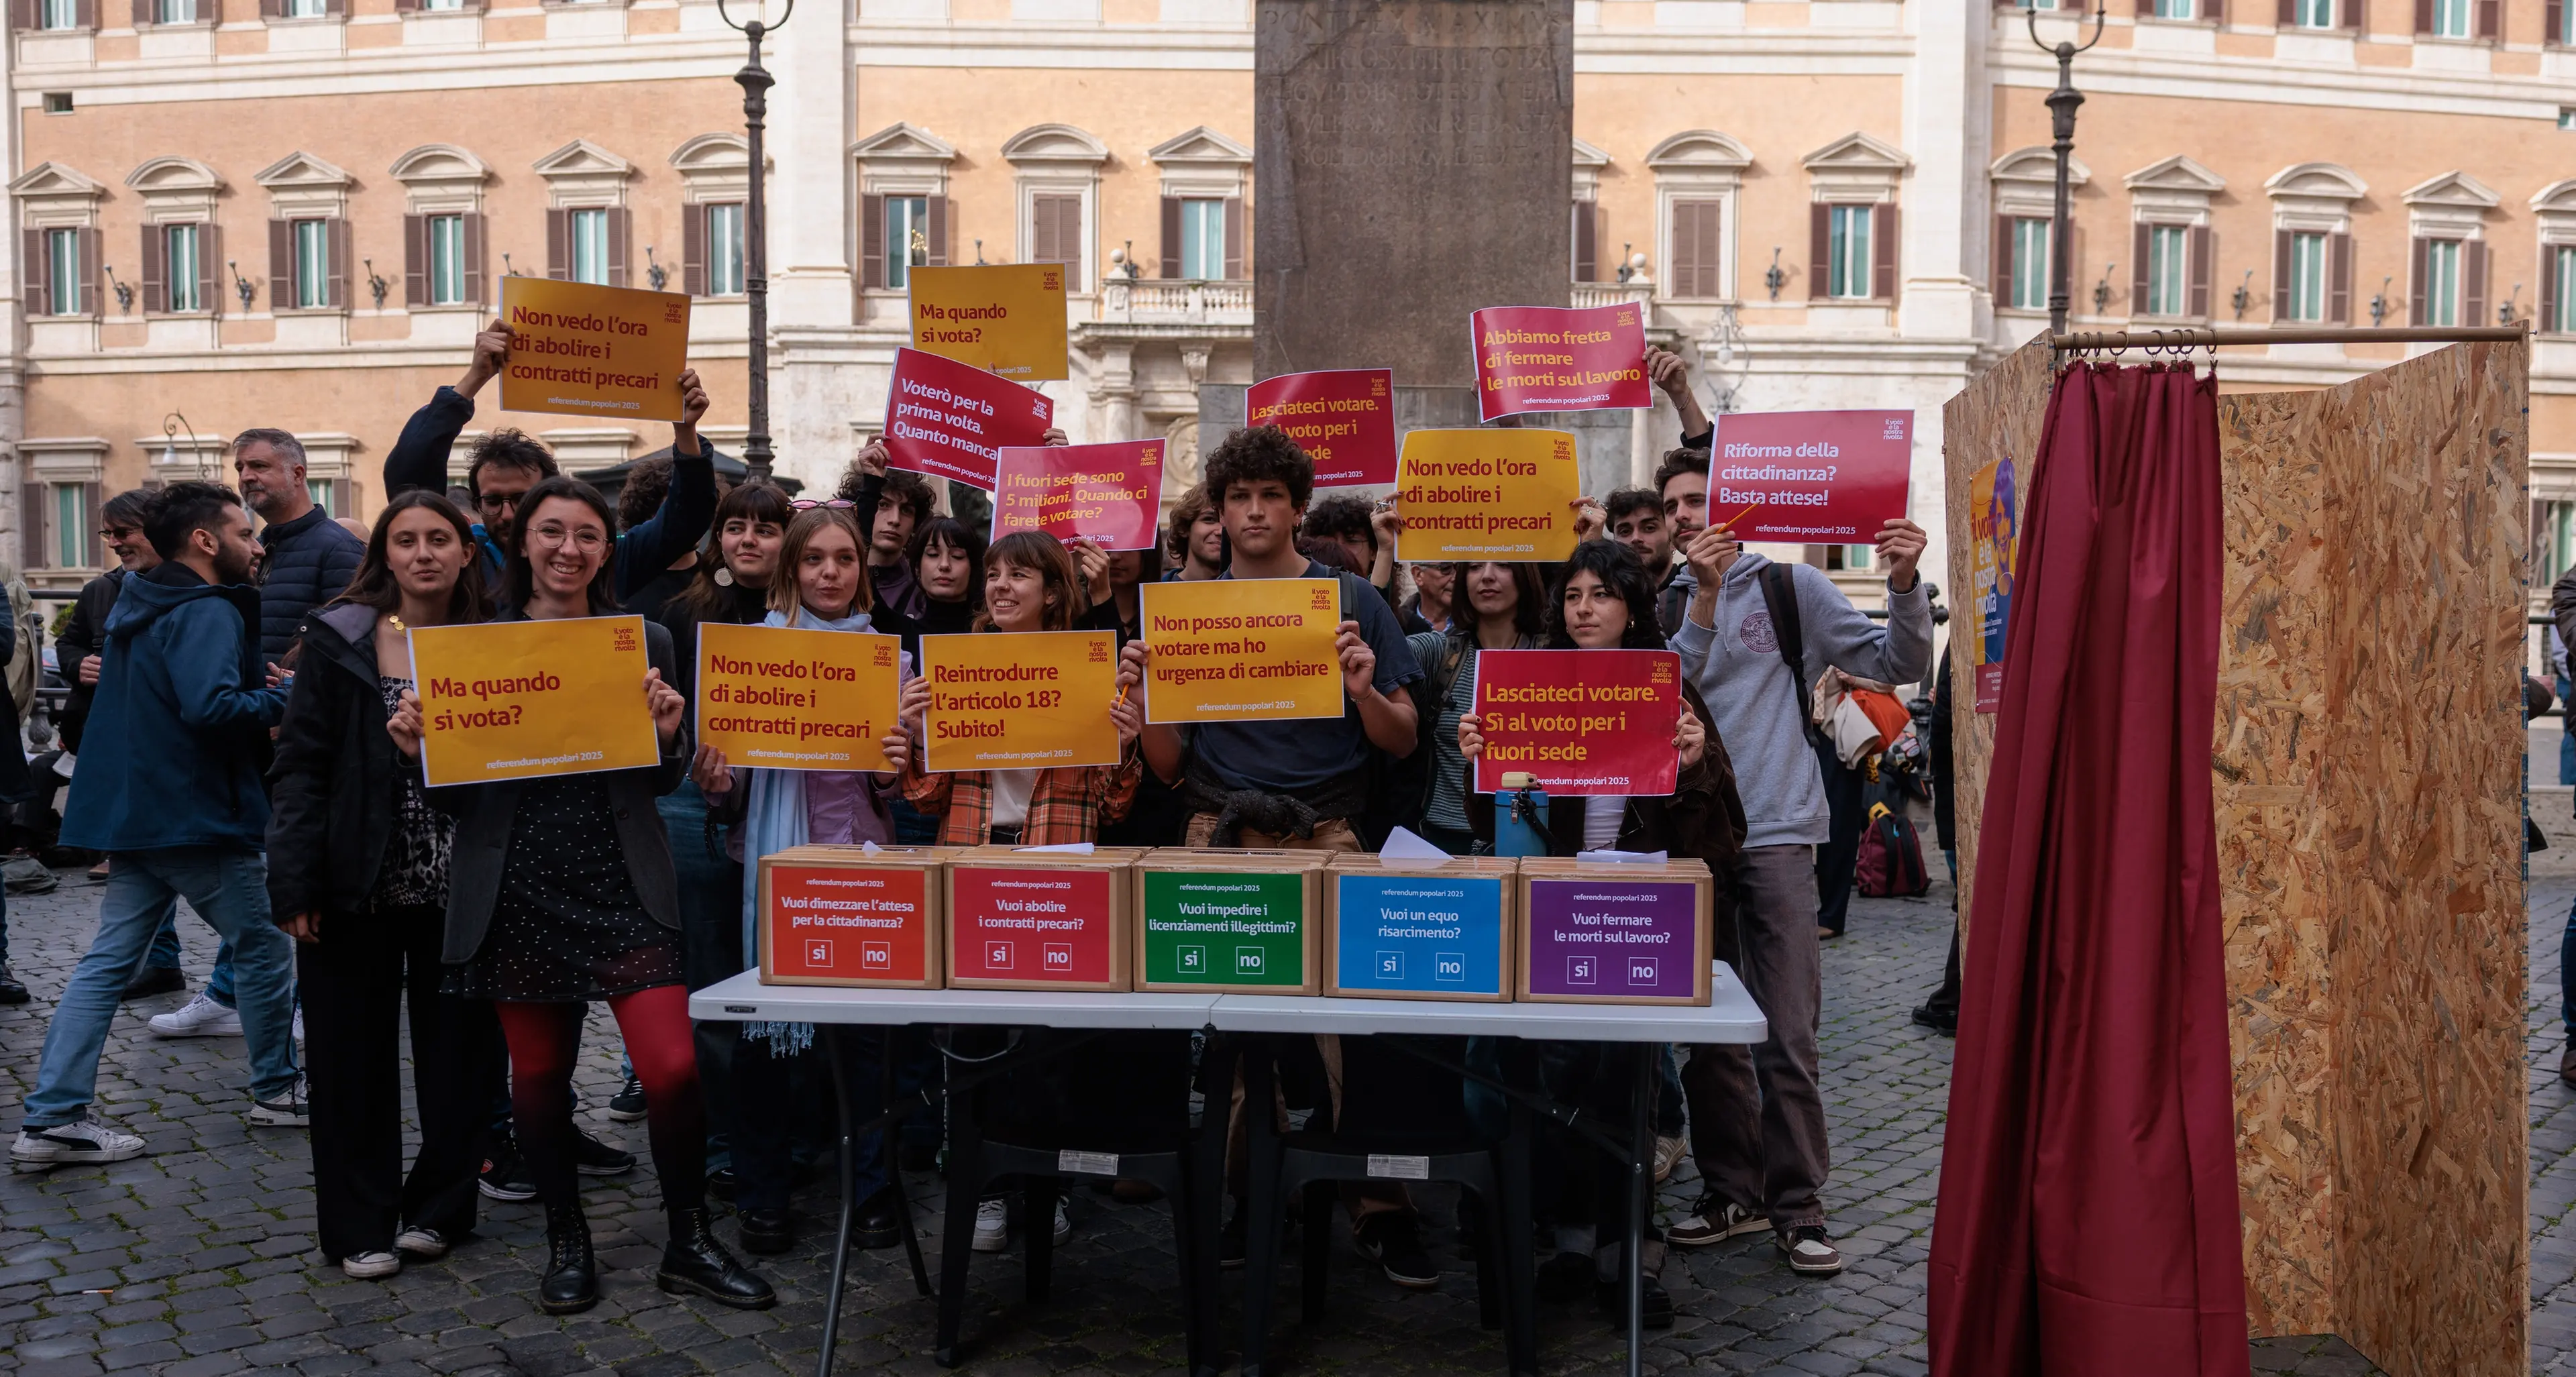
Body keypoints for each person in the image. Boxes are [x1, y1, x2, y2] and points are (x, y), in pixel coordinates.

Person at [387, 474, 772, 1315]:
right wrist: (419, 752)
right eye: (552, 532)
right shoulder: (471, 646)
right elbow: (454, 799)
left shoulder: (642, 643)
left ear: (607, 548)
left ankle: (689, 1240)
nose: (569, 549)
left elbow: (660, 776)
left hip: (622, 876)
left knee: (672, 1068)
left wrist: (671, 737)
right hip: (518, 882)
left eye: (588, 535)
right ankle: (568, 1240)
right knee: (541, 1076)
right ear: (523, 541)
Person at [1122, 425, 1432, 1286]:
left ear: (1297, 507)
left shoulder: (1352, 601)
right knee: (1229, 1039)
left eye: (1270, 496)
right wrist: (1147, 701)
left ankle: (1376, 1205)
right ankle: (1253, 1198)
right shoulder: (1182, 609)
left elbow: (1403, 741)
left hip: (1328, 832)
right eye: (1238, 498)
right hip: (1217, 831)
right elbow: (1170, 764)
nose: (1254, 511)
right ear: (1216, 513)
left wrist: (1366, 691)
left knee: (1350, 1033)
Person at [1457, 539, 1745, 1325]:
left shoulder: (1671, 688)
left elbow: (1722, 838)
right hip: (1553, 913)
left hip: (1640, 919)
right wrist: (1482, 763)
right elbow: (1499, 823)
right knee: (1558, 1085)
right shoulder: (1529, 685)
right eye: (1575, 594)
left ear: (1632, 604)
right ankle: (1575, 1245)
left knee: (1628, 1088)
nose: (1586, 607)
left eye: (1604, 593)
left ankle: (1628, 1256)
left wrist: (1692, 765)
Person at [1658, 493, 1933, 1276]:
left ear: (1731, 510)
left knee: (1787, 1036)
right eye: (1671, 505)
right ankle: (1730, 1189)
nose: (1683, 517)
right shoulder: (1661, 597)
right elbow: (1668, 684)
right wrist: (1703, 597)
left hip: (1777, 833)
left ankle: (1798, 1204)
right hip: (1693, 843)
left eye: (1695, 502)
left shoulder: (1791, 589)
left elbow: (1897, 666)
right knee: (1708, 1040)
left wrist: (1907, 583)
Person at [11, 483, 303, 1169]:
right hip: (193, 812)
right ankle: (280, 1088)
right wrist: (286, 694)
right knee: (262, 946)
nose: (258, 545)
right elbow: (209, 707)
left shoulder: (144, 601)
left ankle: (53, 1118)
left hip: (139, 811)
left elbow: (175, 698)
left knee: (107, 962)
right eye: (245, 531)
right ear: (205, 540)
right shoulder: (204, 609)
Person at [269, 490, 495, 1279]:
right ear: (385, 555)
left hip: (464, 885)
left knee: (460, 1061)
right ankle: (358, 1224)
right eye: (407, 540)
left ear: (467, 552)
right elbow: (300, 765)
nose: (424, 553)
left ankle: (440, 1210)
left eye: (441, 538)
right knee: (347, 1059)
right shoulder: (340, 639)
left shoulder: (498, 643)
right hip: (354, 877)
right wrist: (293, 883)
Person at [694, 503, 913, 1256]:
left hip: (858, 868)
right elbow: (728, 796)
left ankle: (874, 1190)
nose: (829, 572)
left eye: (844, 560)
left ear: (861, 572)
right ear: (792, 569)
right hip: (773, 869)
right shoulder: (750, 656)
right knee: (764, 1046)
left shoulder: (892, 660)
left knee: (865, 1041)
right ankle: (763, 1195)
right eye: (815, 559)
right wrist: (716, 781)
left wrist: (892, 772)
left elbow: (897, 793)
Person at [643, 478, 796, 1168]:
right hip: (693, 816)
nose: (749, 540)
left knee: (785, 977)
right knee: (711, 981)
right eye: (736, 527)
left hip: (786, 816)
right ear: (716, 539)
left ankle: (789, 1131)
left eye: (765, 528)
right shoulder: (679, 615)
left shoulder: (804, 619)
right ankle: (723, 1140)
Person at [382, 320, 719, 604]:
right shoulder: (463, 563)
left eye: (521, 499)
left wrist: (685, 429)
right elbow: (409, 475)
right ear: (477, 503)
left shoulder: (600, 560)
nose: (508, 514)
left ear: (549, 496)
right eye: (493, 501)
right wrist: (473, 380)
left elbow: (685, 518)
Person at [899, 531, 1146, 850]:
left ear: (1051, 594)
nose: (1001, 584)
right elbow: (927, 801)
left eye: (1017, 574)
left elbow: (1114, 809)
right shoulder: (957, 674)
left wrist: (1122, 749)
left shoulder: (1088, 674)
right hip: (971, 856)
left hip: (1057, 859)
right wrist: (921, 737)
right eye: (993, 575)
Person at [59, 491, 189, 999]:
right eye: (107, 535)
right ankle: (161, 960)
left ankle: (226, 981)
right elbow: (70, 644)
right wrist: (77, 664)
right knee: (136, 858)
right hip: (112, 739)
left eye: (123, 532)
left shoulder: (197, 590)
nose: (113, 543)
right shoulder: (100, 590)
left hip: (167, 745)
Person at [1403, 561, 1548, 856]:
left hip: (1533, 835)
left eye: (1504, 565)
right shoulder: (1440, 652)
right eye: (1475, 566)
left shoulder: (1555, 655)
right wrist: (1384, 554)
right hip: (1444, 842)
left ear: (1526, 575)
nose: (1488, 576)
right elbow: (1376, 643)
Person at [237, 427, 367, 662]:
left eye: (259, 466)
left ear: (297, 475)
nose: (246, 476)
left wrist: (292, 683)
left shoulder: (340, 549)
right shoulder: (255, 548)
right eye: (240, 468)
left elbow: (350, 646)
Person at [617, 456, 706, 624]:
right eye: (679, 511)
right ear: (649, 515)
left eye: (698, 510)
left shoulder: (715, 579)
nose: (692, 520)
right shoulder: (623, 577)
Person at [849, 466, 934, 627]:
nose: (895, 519)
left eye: (906, 510)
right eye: (883, 505)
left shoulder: (926, 589)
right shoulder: (835, 581)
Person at [1604, 487, 1673, 585]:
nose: (1635, 538)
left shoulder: (1696, 588)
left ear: (1672, 539)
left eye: (1649, 528)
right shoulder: (1607, 595)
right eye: (1625, 532)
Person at [1164, 483, 1225, 582]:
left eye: (1228, 522)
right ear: (1184, 528)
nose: (1220, 531)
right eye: (1209, 519)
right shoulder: (1153, 594)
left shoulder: (1253, 592)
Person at [1401, 561, 1454, 634]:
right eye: (1446, 568)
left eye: (1461, 569)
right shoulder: (1396, 627)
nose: (1456, 577)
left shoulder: (1473, 626)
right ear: (1418, 575)